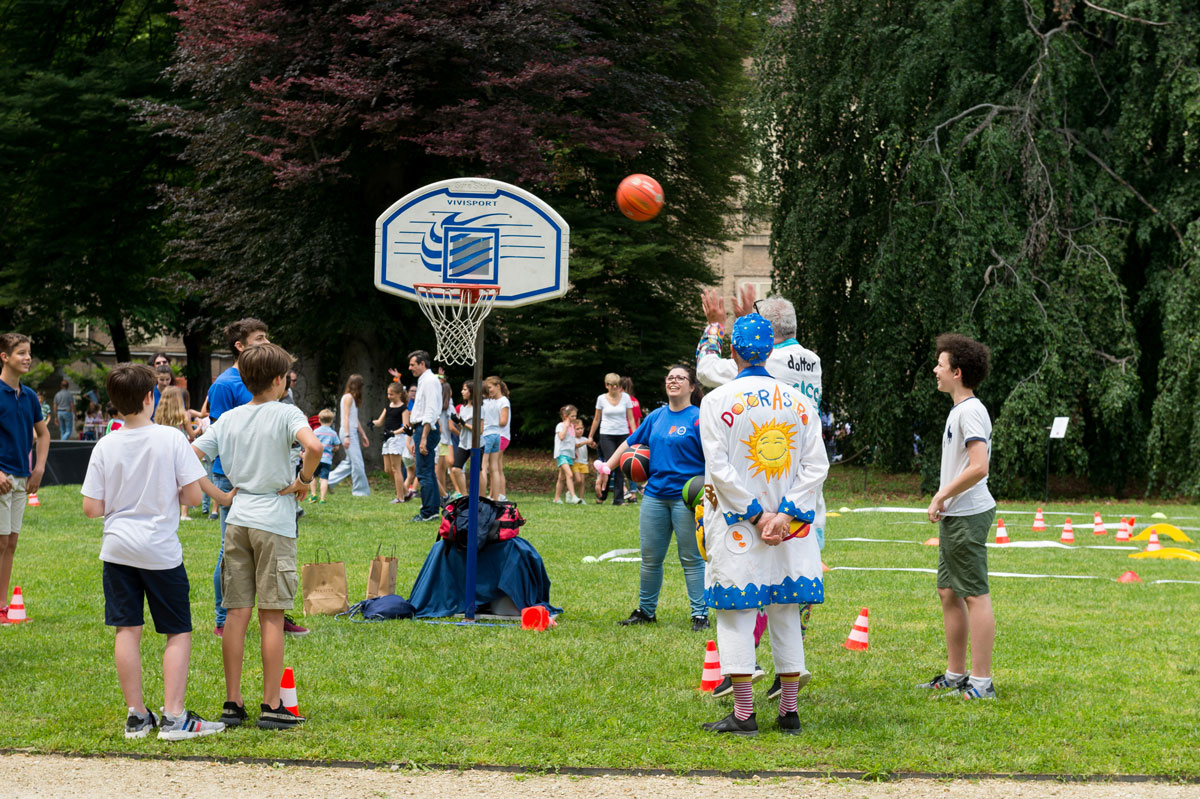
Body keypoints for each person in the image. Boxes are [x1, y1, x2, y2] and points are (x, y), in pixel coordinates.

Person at [81, 362, 232, 740]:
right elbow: (193, 495)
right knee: (177, 631)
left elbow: (91, 508)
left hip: (117, 549)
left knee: (126, 630)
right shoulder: (170, 439)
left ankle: (136, 715)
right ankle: (175, 717)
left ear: (114, 403)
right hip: (160, 550)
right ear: (150, 397)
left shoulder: (105, 444)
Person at [699, 313, 828, 736]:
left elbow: (718, 468)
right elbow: (816, 466)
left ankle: (743, 714)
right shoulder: (800, 402)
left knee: (735, 613)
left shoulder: (717, 401)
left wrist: (756, 515)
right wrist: (785, 514)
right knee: (786, 609)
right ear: (771, 351)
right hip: (789, 528)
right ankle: (789, 711)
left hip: (739, 524)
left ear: (733, 351)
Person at [192, 343, 323, 731]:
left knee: (235, 613)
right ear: (280, 380)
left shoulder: (229, 417)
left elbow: (188, 454)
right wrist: (304, 479)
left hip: (238, 519)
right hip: (274, 521)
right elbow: (313, 446)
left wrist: (218, 495)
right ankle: (271, 703)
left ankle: (232, 703)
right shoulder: (286, 412)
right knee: (272, 613)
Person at [207, 318, 302, 637]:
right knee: (229, 550)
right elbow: (217, 435)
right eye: (260, 338)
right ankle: (225, 618)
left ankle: (274, 609)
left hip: (268, 484)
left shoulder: (274, 390)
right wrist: (222, 492)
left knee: (263, 561)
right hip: (234, 481)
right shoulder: (225, 385)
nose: (266, 342)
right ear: (240, 346)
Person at [920, 333, 997, 700]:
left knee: (974, 595)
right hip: (957, 515)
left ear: (958, 372)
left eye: (941, 364)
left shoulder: (971, 411)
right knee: (948, 591)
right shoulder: (959, 410)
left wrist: (941, 494)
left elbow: (979, 467)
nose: (936, 369)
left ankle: (981, 683)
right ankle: (955, 675)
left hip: (968, 514)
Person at [604, 365, 709, 630]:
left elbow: (715, 457)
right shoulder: (655, 417)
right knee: (650, 558)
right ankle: (646, 611)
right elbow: (629, 444)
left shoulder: (700, 418)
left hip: (687, 499)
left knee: (692, 559)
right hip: (654, 497)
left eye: (680, 378)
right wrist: (607, 468)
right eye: (670, 377)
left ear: (692, 387)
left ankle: (700, 615)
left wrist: (709, 491)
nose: (674, 381)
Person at [0, 333, 49, 624]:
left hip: (21, 477)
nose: (27, 357)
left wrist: (39, 468)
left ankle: (3, 607)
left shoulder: (29, 396)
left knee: (11, 543)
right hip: (2, 478)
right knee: (0, 542)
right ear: (4, 357)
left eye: (29, 352)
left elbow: (43, 434)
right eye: (21, 353)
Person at [587, 372, 635, 505]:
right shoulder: (601, 399)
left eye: (617, 385)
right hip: (607, 435)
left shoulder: (626, 398)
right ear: (606, 385)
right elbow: (597, 419)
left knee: (620, 466)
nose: (614, 388)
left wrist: (635, 435)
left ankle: (618, 499)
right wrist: (590, 436)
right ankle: (602, 495)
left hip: (622, 434)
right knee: (608, 465)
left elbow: (631, 418)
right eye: (611, 385)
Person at [407, 350, 442, 522]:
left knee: (424, 473)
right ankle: (434, 508)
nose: (410, 368)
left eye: (413, 364)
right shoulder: (424, 380)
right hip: (420, 430)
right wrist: (416, 436)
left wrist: (423, 438)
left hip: (426, 429)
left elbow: (430, 410)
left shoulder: (429, 381)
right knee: (428, 472)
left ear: (422, 364)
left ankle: (428, 512)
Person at [154, 386, 198, 521]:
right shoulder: (183, 416)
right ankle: (183, 514)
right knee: (183, 481)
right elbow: (191, 434)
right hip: (180, 451)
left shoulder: (159, 417)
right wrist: (200, 428)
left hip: (163, 451)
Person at [327, 374, 371, 497]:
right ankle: (360, 492)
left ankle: (328, 480)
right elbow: (345, 417)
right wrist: (347, 436)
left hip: (351, 431)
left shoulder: (351, 398)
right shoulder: (348, 397)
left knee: (349, 463)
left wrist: (363, 435)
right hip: (348, 432)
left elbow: (354, 419)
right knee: (358, 463)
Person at [372, 382, 408, 504]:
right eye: (388, 393)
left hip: (396, 439)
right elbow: (380, 422)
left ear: (399, 394)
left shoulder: (404, 408)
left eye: (391, 394)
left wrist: (393, 433)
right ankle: (406, 491)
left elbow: (406, 427)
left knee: (395, 468)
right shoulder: (388, 407)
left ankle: (400, 498)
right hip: (387, 438)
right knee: (387, 469)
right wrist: (372, 423)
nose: (389, 396)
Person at [449, 381, 484, 499]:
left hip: (477, 444)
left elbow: (479, 430)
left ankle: (480, 498)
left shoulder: (479, 408)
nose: (462, 392)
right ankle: (464, 497)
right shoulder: (463, 408)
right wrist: (458, 422)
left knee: (476, 472)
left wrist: (463, 423)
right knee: (455, 469)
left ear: (472, 392)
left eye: (465, 389)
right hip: (463, 443)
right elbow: (462, 428)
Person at [307, 409, 341, 504]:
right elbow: (337, 447)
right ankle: (322, 498)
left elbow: (311, 444)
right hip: (327, 459)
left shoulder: (316, 432)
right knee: (324, 479)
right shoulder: (333, 433)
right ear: (331, 421)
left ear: (319, 420)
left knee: (312, 476)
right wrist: (332, 449)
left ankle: (313, 495)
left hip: (315, 459)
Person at [552, 405, 584, 504]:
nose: (575, 418)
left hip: (569, 455)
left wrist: (574, 452)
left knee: (561, 478)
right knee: (569, 474)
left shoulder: (572, 427)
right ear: (566, 416)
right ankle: (573, 496)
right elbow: (561, 437)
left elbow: (571, 441)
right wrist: (565, 427)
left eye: (575, 416)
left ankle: (556, 498)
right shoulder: (560, 426)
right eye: (572, 416)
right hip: (561, 454)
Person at [487, 376, 511, 501]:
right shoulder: (492, 401)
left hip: (501, 436)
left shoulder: (503, 401)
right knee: (497, 466)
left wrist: (487, 421)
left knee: (493, 466)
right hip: (495, 436)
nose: (488, 390)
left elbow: (503, 421)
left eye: (490, 387)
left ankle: (496, 495)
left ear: (498, 387)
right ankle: (499, 494)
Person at [620, 376, 643, 502]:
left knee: (618, 465)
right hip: (634, 435)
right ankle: (633, 495)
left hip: (622, 435)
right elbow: (638, 420)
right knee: (631, 465)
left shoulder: (620, 401)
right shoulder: (635, 401)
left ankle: (624, 490)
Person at [572, 419, 591, 501]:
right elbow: (576, 446)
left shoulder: (584, 438)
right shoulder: (572, 439)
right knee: (578, 480)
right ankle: (570, 491)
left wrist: (592, 444)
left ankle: (581, 498)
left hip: (584, 463)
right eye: (577, 429)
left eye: (581, 428)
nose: (580, 430)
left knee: (582, 482)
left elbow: (592, 446)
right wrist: (586, 442)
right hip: (575, 462)